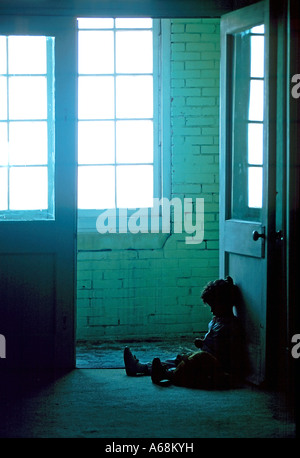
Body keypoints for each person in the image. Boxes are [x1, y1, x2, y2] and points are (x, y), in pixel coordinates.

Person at [123, 276, 244, 389]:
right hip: (205, 355)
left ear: (225, 304)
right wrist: (203, 343)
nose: (212, 310)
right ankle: (141, 368)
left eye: (214, 306)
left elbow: (226, 353)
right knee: (181, 358)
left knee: (194, 362)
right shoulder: (216, 321)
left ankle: (166, 374)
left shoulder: (231, 326)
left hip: (216, 365)